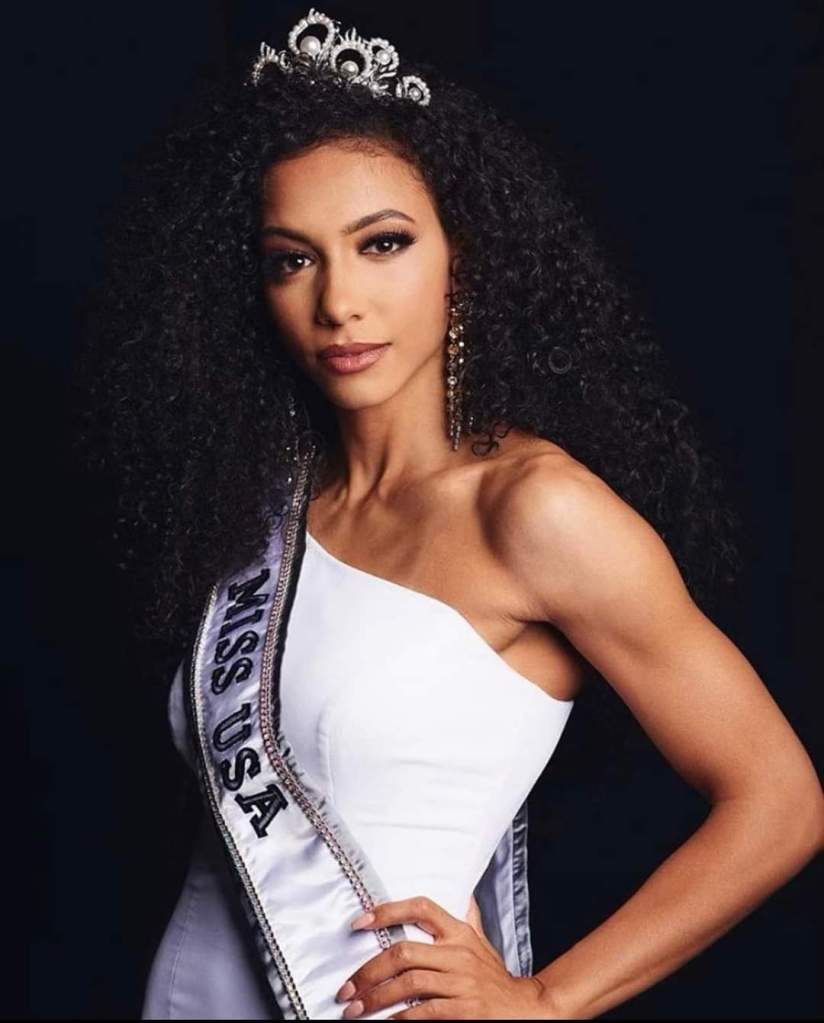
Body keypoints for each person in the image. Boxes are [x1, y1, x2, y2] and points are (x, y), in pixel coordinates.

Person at [74, 8, 823, 1021]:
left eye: (382, 244)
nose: (338, 302)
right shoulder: (262, 505)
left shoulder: (536, 510)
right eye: (293, 259)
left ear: (460, 255)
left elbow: (779, 802)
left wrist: (546, 1000)